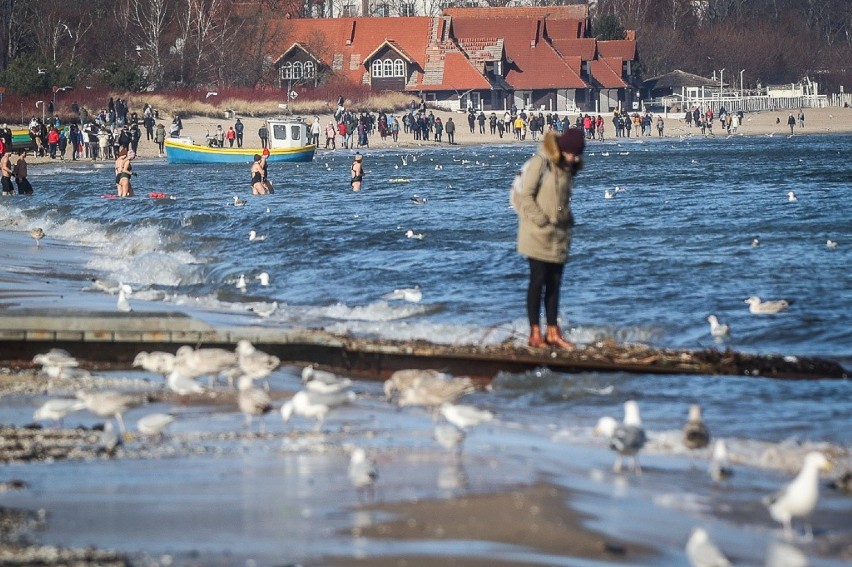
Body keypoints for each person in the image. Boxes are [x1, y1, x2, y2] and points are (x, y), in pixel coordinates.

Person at [515, 128, 585, 350]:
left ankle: (553, 333)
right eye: (571, 154)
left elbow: (561, 201)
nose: (574, 158)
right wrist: (543, 220)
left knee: (555, 284)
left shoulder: (567, 169)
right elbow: (526, 196)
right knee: (537, 282)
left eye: (577, 155)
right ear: (562, 149)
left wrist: (565, 220)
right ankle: (535, 333)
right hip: (536, 234)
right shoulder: (540, 162)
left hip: (559, 236)